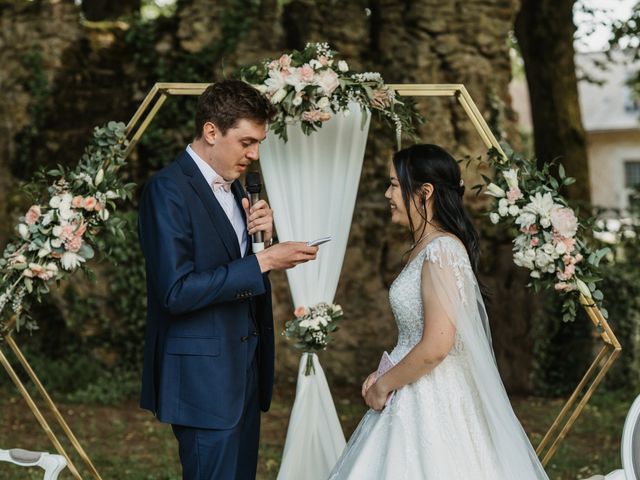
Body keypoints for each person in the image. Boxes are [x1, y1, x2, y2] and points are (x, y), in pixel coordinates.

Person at [328, 144, 549, 479]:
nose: (387, 194)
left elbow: (436, 346)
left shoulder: (441, 251)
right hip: (411, 389)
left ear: (424, 192)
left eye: (393, 184)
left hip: (432, 398)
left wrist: (383, 384)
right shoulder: (424, 250)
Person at [137, 80, 319, 480]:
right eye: (246, 142)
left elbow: (232, 267)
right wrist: (265, 261)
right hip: (202, 381)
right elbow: (175, 291)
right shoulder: (167, 190)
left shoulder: (237, 190)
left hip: (243, 376)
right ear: (211, 131)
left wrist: (262, 241)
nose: (254, 155)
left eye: (259, 144)